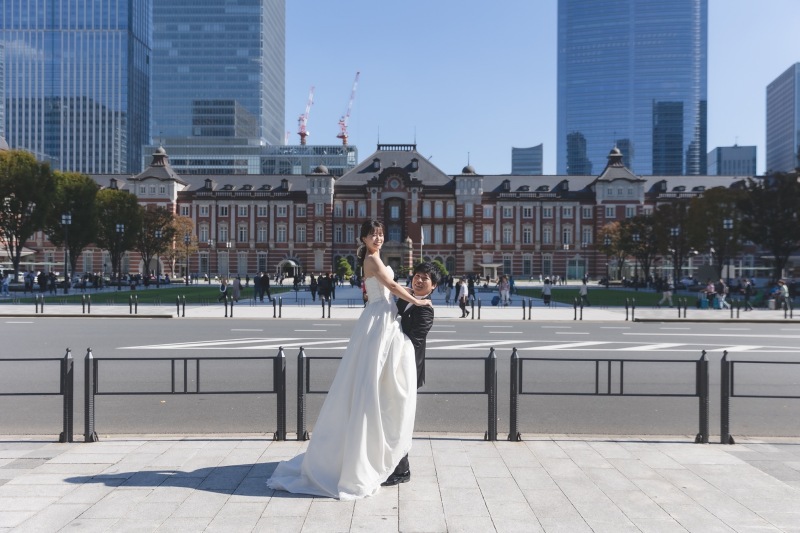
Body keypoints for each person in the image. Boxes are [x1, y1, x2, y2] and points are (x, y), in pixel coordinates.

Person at [267, 220, 432, 499]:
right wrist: (416, 301)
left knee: (372, 381)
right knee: (370, 381)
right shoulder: (371, 260)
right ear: (364, 238)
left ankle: (374, 451)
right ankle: (366, 454)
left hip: (382, 318)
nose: (378, 238)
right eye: (373, 235)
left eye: (380, 234)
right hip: (379, 319)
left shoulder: (374, 256)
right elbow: (390, 284)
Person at [383, 261, 439, 486]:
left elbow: (412, 341)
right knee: (393, 418)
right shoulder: (408, 300)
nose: (419, 280)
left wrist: (388, 332)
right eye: (417, 275)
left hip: (407, 371)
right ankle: (394, 464)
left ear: (433, 286)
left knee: (400, 420)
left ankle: (402, 470)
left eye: (425, 278)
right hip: (397, 368)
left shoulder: (425, 310)